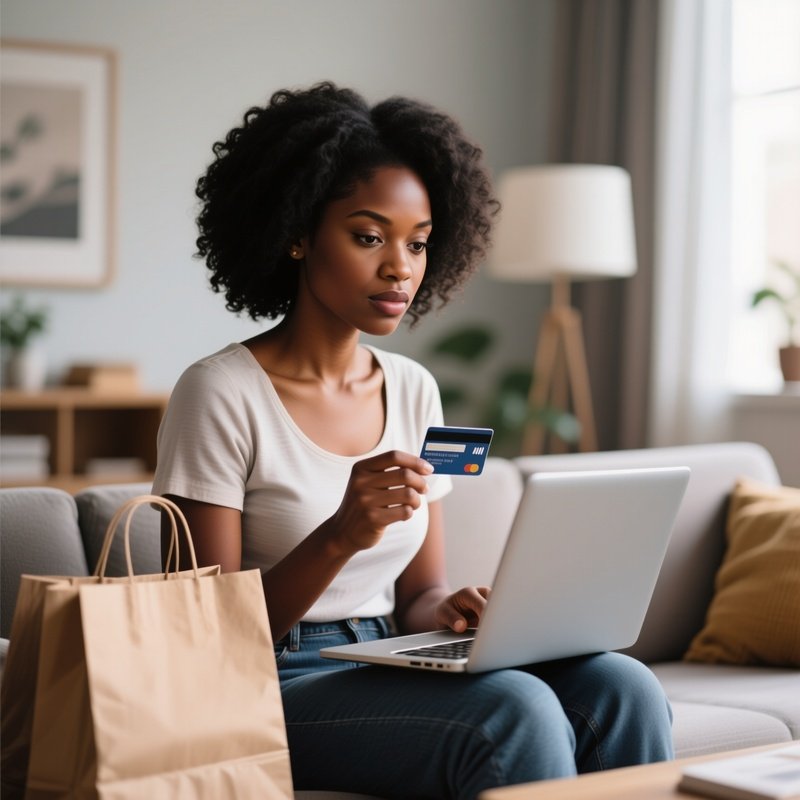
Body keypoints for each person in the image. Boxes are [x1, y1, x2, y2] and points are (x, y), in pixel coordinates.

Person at [152, 82, 673, 799]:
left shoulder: (412, 388)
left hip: (392, 652)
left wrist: (455, 611)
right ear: (297, 232)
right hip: (264, 680)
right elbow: (207, 637)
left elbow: (419, 594)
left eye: (418, 242)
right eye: (369, 237)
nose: (400, 265)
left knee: (621, 687)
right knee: (512, 711)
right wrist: (340, 534)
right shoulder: (218, 393)